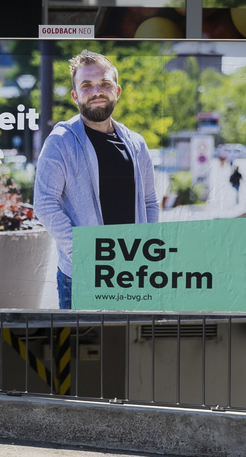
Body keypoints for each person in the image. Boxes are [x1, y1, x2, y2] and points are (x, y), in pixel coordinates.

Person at [33, 49, 160, 309]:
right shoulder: (61, 142)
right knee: (85, 349)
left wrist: (149, 250)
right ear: (75, 95)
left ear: (117, 90)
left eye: (104, 83)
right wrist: (84, 254)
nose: (96, 91)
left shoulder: (136, 143)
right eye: (87, 85)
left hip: (133, 275)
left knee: (132, 347)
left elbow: (149, 202)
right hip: (84, 276)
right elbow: (45, 204)